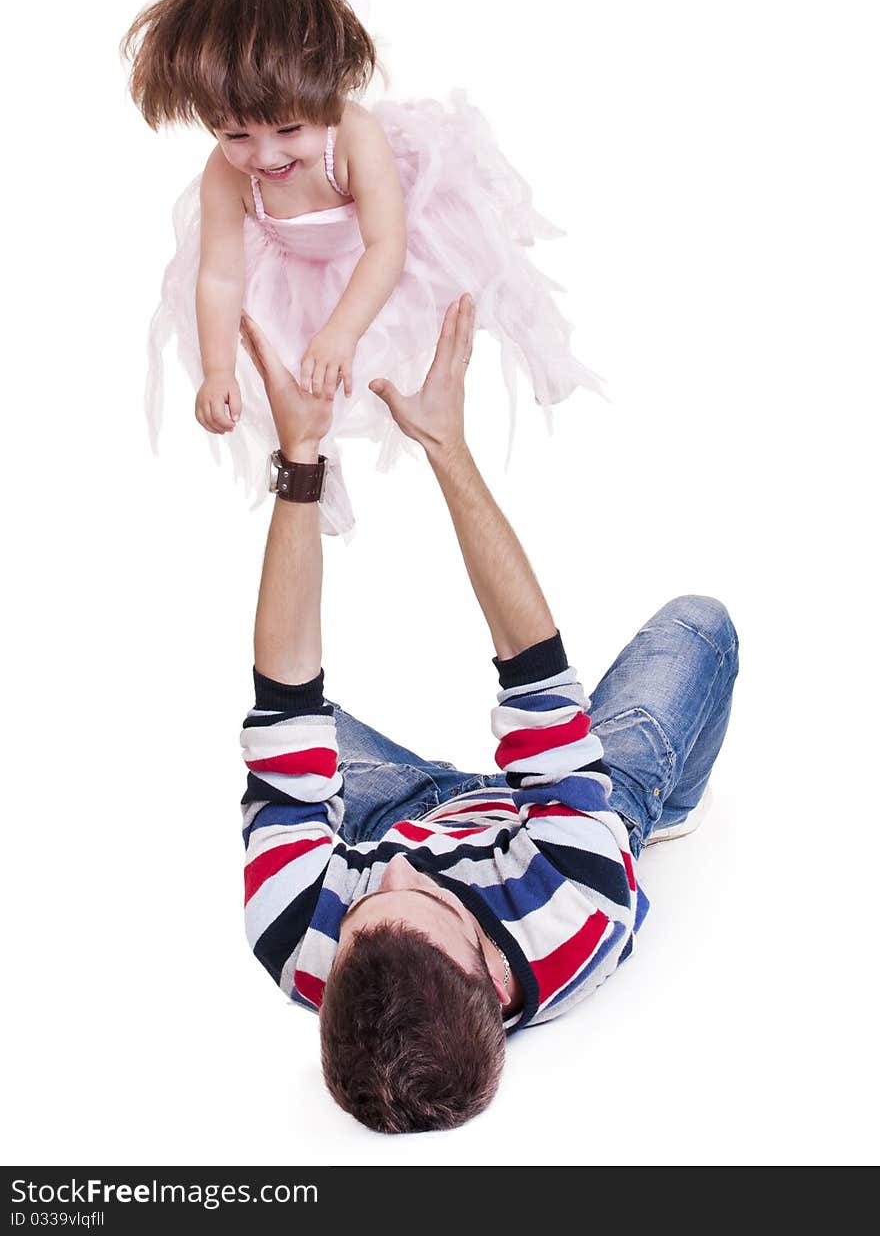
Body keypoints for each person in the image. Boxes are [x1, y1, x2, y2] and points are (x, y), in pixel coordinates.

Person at [239, 294, 739, 1133]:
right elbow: (536, 676)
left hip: (414, 802)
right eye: (428, 898)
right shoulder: (578, 909)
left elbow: (283, 705)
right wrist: (445, 443)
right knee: (700, 625)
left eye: (366, 902)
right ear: (497, 975)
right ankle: (664, 810)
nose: (395, 868)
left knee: (286, 730)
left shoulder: (295, 938)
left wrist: (301, 458)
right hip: (571, 821)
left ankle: (465, 807)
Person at [122, 0, 603, 536]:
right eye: (237, 136)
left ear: (325, 98)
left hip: (381, 244)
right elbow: (221, 276)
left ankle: (544, 351)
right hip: (295, 266)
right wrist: (218, 370)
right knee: (284, 366)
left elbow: (385, 246)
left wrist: (342, 330)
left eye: (288, 130)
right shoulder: (226, 176)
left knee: (482, 277)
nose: (267, 157)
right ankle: (313, 465)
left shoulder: (353, 139)